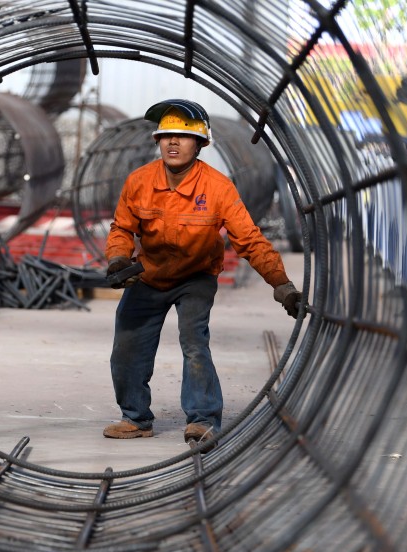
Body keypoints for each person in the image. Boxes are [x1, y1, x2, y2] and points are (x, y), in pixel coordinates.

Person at [103, 99, 301, 446]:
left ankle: (203, 419)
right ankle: (135, 418)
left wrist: (281, 284)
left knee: (194, 342)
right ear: (157, 141)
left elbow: (250, 240)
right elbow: (121, 228)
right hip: (148, 275)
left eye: (182, 136)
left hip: (195, 277)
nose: (173, 143)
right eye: (166, 136)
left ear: (201, 144)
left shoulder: (217, 187)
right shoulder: (140, 181)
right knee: (127, 347)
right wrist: (119, 259)